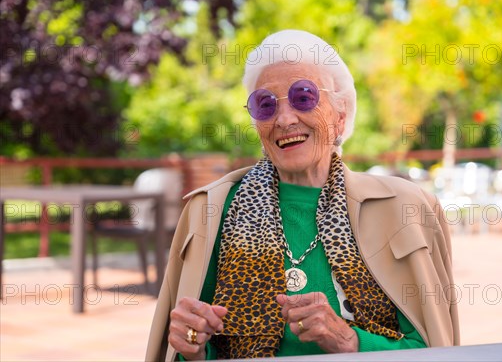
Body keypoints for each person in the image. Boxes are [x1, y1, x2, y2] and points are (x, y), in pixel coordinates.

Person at [146, 30, 459, 361]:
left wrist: (350, 341)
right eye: (265, 105)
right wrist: (191, 348)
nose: (283, 119)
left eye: (304, 96)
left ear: (340, 118)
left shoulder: (404, 209)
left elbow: (433, 351)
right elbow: (196, 345)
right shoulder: (214, 209)